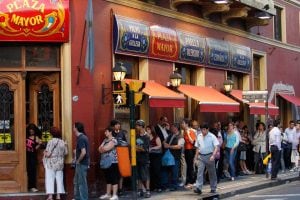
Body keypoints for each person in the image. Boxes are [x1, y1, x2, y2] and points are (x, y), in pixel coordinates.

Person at [193, 123, 219, 195]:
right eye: (202, 129)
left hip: (210, 156)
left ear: (208, 129)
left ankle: (213, 188)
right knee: (199, 172)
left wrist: (213, 155)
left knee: (212, 173)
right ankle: (199, 188)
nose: (203, 131)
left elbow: (216, 147)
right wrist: (195, 157)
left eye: (204, 129)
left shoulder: (212, 136)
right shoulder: (199, 136)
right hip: (201, 156)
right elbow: (198, 147)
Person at [43, 127, 68, 200]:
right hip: (60, 163)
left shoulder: (51, 142)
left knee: (50, 179)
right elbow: (66, 153)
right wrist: (66, 145)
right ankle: (58, 196)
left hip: (51, 163)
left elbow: (48, 154)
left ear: (51, 134)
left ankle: (50, 196)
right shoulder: (62, 142)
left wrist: (44, 152)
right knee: (59, 179)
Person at [161, 124, 185, 191]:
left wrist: (169, 146)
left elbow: (179, 146)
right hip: (168, 156)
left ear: (176, 128)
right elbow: (163, 141)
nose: (171, 129)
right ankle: (166, 185)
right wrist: (165, 144)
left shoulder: (180, 137)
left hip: (175, 156)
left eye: (173, 127)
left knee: (174, 171)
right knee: (166, 171)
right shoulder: (170, 135)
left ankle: (174, 186)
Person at [98, 127, 119, 200]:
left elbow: (106, 148)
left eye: (106, 131)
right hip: (105, 162)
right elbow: (99, 149)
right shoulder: (105, 140)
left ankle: (115, 195)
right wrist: (103, 148)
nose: (105, 133)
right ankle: (108, 194)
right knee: (108, 179)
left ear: (110, 132)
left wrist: (103, 148)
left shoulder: (114, 140)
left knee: (113, 178)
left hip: (112, 162)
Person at [73, 122, 90, 200]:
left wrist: (78, 161)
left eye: (73, 127)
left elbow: (84, 152)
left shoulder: (81, 138)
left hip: (81, 164)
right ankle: (78, 197)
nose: (73, 128)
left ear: (76, 128)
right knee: (77, 182)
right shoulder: (83, 137)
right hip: (82, 163)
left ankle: (83, 198)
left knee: (81, 183)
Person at [110, 119, 127, 195]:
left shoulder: (122, 133)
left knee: (121, 173)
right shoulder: (111, 133)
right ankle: (113, 190)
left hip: (121, 154)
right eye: (117, 124)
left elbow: (125, 142)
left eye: (119, 124)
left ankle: (120, 189)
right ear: (113, 126)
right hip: (113, 155)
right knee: (113, 173)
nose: (118, 126)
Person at [135, 120, 151, 198]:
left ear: (141, 126)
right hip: (137, 158)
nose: (136, 127)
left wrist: (137, 148)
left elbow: (145, 149)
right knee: (138, 175)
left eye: (137, 125)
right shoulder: (136, 135)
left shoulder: (147, 136)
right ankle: (140, 190)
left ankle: (148, 190)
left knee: (146, 175)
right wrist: (138, 148)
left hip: (144, 158)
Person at [26, 123, 42, 192]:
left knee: (32, 171)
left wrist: (39, 145)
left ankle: (32, 186)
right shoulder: (25, 136)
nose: (31, 131)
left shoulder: (36, 137)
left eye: (32, 130)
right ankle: (26, 186)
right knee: (27, 171)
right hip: (25, 156)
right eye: (30, 129)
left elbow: (37, 147)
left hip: (32, 156)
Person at [181, 118, 196, 188]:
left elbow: (192, 142)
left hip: (190, 150)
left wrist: (187, 133)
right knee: (187, 166)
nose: (182, 124)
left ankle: (192, 181)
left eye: (183, 123)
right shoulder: (183, 131)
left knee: (190, 166)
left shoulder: (191, 131)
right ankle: (188, 181)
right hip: (186, 150)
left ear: (186, 124)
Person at [147, 125, 163, 192]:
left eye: (148, 129)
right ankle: (152, 186)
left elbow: (159, 146)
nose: (147, 130)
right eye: (147, 129)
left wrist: (152, 148)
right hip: (150, 155)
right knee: (151, 171)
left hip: (157, 155)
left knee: (157, 171)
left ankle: (159, 186)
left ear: (152, 130)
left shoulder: (156, 137)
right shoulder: (147, 137)